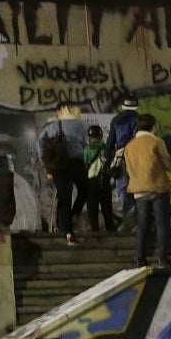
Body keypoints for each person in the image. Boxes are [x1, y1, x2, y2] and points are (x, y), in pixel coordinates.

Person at [123, 112, 171, 268]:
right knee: (161, 223)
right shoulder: (157, 142)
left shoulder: (129, 146)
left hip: (139, 189)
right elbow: (167, 164)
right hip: (157, 187)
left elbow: (128, 168)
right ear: (153, 126)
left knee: (142, 224)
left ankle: (140, 257)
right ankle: (163, 258)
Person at [38, 104, 89, 245]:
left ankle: (67, 232)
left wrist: (46, 163)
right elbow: (85, 144)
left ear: (62, 112)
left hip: (58, 165)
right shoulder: (81, 125)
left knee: (64, 197)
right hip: (77, 163)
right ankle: (74, 214)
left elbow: (40, 142)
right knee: (85, 189)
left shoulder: (53, 125)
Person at [106, 96, 142, 212]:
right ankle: (139, 216)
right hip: (137, 158)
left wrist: (108, 159)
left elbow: (110, 143)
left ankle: (129, 215)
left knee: (122, 188)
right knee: (139, 188)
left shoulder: (116, 120)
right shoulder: (139, 119)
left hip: (121, 158)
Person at [82, 124, 118, 232]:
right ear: (101, 135)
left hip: (92, 182)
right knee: (107, 211)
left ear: (89, 136)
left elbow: (85, 165)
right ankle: (111, 236)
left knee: (93, 212)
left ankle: (96, 236)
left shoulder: (87, 149)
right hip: (105, 182)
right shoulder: (107, 148)